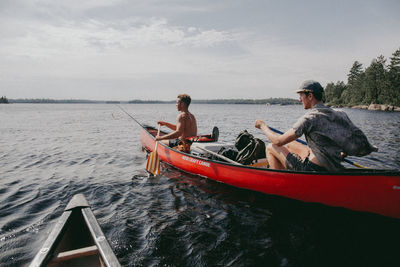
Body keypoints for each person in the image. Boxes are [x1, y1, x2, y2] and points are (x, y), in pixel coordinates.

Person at [255, 80, 377, 172]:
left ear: (310, 96)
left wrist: (262, 126)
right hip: (332, 165)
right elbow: (349, 138)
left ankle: (279, 182)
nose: (299, 99)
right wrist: (342, 153)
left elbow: (278, 140)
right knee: (290, 144)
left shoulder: (309, 118)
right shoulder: (340, 114)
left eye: (301, 95)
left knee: (271, 146)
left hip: (313, 169)